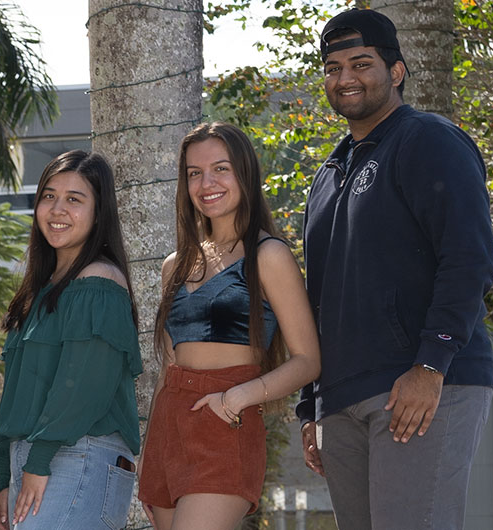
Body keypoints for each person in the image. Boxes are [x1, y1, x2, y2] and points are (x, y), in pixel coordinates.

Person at [298, 8, 493, 530]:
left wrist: (431, 365)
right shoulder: (328, 175)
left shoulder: (429, 140)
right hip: (341, 397)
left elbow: (469, 257)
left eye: (361, 63)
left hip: (421, 384)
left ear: (397, 71)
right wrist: (308, 406)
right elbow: (315, 298)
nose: (345, 79)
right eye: (333, 67)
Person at [136, 122, 321, 530]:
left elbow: (308, 360)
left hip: (225, 424)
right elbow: (169, 368)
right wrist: (151, 451)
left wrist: (236, 399)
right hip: (169, 429)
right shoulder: (174, 265)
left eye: (221, 168)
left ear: (244, 173)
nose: (207, 183)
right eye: (194, 173)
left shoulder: (268, 255)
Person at [0, 150, 142, 530]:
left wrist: (37, 463)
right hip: (38, 455)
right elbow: (19, 393)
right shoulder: (40, 291)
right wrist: (6, 474)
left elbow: (84, 387)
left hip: (78, 454)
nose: (57, 210)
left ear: (99, 212)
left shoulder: (99, 282)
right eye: (48, 196)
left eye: (74, 199)